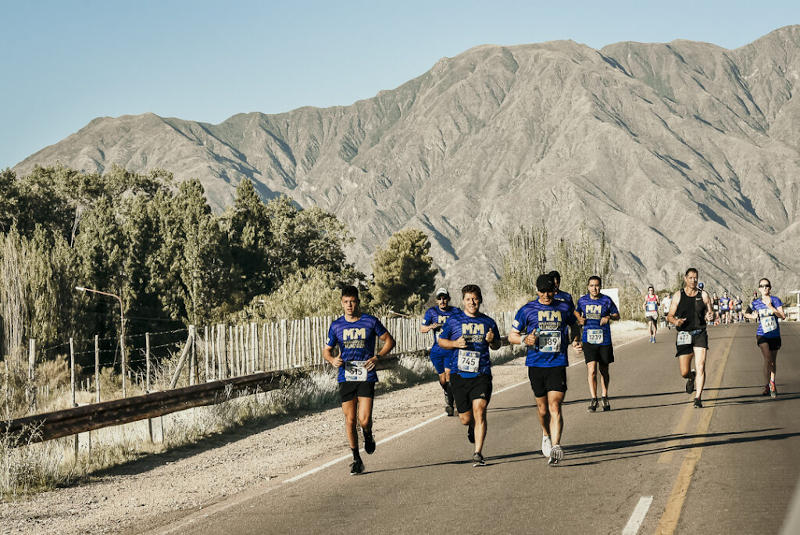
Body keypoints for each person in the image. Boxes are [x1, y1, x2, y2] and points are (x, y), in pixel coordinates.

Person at [508, 274, 581, 466]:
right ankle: (546, 434)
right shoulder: (527, 310)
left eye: (549, 291)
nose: (546, 295)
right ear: (537, 290)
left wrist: (575, 340)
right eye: (542, 291)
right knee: (542, 410)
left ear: (554, 290)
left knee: (555, 405)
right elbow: (512, 336)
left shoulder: (564, 307)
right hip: (536, 364)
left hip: (557, 364)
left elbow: (575, 325)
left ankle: (556, 446)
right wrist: (525, 339)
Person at [323, 286, 395, 475]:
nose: (349, 305)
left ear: (358, 302)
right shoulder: (336, 325)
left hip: (366, 374)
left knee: (363, 420)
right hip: (345, 376)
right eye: (346, 302)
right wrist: (333, 360)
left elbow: (389, 341)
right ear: (341, 303)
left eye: (352, 301)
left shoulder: (370, 321)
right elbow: (326, 350)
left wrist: (377, 357)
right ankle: (356, 458)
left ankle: (368, 435)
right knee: (350, 420)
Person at [437, 284, 501, 467]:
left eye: (475, 299)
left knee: (480, 410)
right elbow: (441, 341)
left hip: (482, 374)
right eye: (468, 299)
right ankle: (472, 426)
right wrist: (454, 344)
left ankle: (478, 453)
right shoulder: (454, 321)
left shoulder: (488, 322)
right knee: (465, 418)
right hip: (459, 374)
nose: (472, 302)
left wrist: (492, 341)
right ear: (463, 301)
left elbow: (497, 344)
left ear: (480, 299)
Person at [667, 268, 715, 408]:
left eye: (696, 278)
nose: (693, 280)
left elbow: (711, 312)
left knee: (700, 366)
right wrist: (676, 321)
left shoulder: (704, 295)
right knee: (684, 372)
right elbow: (669, 316)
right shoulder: (678, 295)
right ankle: (690, 377)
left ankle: (698, 398)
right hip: (684, 335)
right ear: (685, 278)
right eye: (691, 278)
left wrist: (710, 315)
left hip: (700, 333)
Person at [576, 276, 620, 411]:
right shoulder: (582, 300)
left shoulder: (606, 300)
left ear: (600, 286)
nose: (594, 288)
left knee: (604, 370)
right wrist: (579, 319)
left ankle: (605, 396)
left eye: (597, 285)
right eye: (591, 285)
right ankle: (594, 398)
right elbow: (576, 312)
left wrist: (608, 317)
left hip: (604, 339)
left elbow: (617, 315)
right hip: (588, 340)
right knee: (592, 370)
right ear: (588, 287)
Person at [420, 287, 461, 416]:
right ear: (436, 300)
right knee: (443, 380)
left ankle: (450, 403)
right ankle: (448, 393)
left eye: (444, 298)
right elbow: (422, 329)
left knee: (449, 376)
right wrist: (431, 326)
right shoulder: (431, 312)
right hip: (437, 350)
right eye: (440, 298)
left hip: (451, 349)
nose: (442, 301)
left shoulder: (455, 312)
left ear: (448, 298)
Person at [744, 278, 786, 398]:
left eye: (766, 286)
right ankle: (771, 384)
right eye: (762, 286)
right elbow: (746, 313)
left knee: (772, 361)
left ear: (770, 287)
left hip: (774, 335)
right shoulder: (756, 302)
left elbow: (782, 316)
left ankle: (769, 384)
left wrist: (772, 308)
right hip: (762, 334)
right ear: (759, 288)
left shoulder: (775, 300)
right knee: (768, 358)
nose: (764, 288)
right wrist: (752, 316)